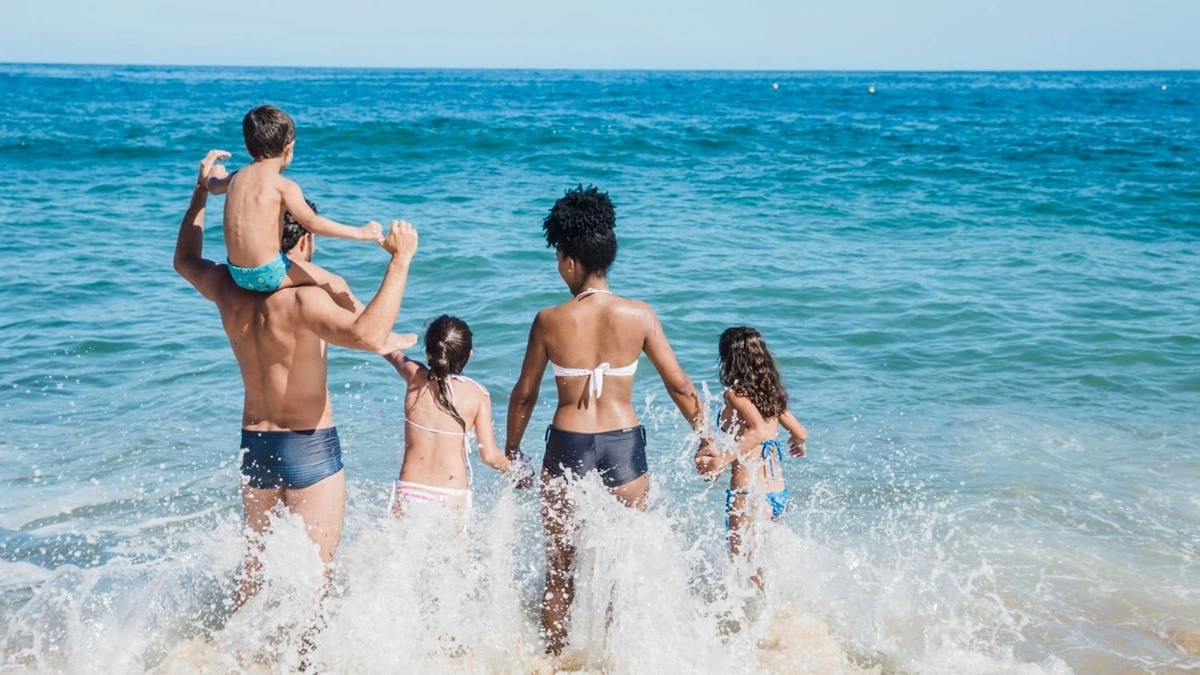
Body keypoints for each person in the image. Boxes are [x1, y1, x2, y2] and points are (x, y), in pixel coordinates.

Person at [174, 150, 419, 608]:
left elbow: (185, 259)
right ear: (304, 240)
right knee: (314, 586)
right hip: (309, 446)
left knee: (253, 577)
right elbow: (368, 335)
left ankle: (231, 647)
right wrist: (401, 261)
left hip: (255, 444)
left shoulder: (226, 287)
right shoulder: (305, 301)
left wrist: (200, 192)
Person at [506, 185, 709, 654]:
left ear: (570, 262)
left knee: (560, 569)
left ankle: (555, 659)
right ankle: (617, 658)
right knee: (623, 566)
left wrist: (513, 449)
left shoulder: (549, 319)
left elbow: (525, 394)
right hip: (623, 445)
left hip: (568, 443)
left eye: (559, 259)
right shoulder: (639, 315)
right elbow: (680, 385)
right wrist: (706, 438)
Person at [204, 105, 383, 293]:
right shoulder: (283, 186)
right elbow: (312, 223)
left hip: (237, 274)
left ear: (247, 147)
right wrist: (359, 233)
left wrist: (215, 172)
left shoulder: (236, 177)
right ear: (289, 148)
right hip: (269, 273)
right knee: (334, 282)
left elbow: (213, 187)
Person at [382, 315, 530, 527]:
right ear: (470, 354)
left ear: (429, 353)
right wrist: (517, 472)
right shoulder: (477, 394)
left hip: (409, 489)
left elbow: (383, 345)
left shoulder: (414, 376)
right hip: (451, 496)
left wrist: (391, 337)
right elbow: (489, 455)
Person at [693, 327, 808, 590]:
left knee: (744, 566)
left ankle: (767, 613)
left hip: (749, 493)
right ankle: (774, 607)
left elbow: (757, 431)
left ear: (728, 358)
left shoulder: (734, 394)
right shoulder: (772, 394)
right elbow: (801, 432)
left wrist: (721, 460)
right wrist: (798, 444)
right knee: (756, 564)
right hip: (777, 493)